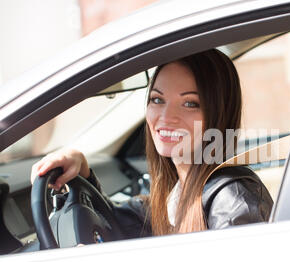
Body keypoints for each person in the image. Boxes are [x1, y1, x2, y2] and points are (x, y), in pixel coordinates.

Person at [30, 49, 273, 239]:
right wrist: (80, 165)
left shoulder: (231, 198)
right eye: (157, 99)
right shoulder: (175, 192)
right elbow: (116, 222)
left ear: (219, 114)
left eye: (190, 103)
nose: (166, 117)